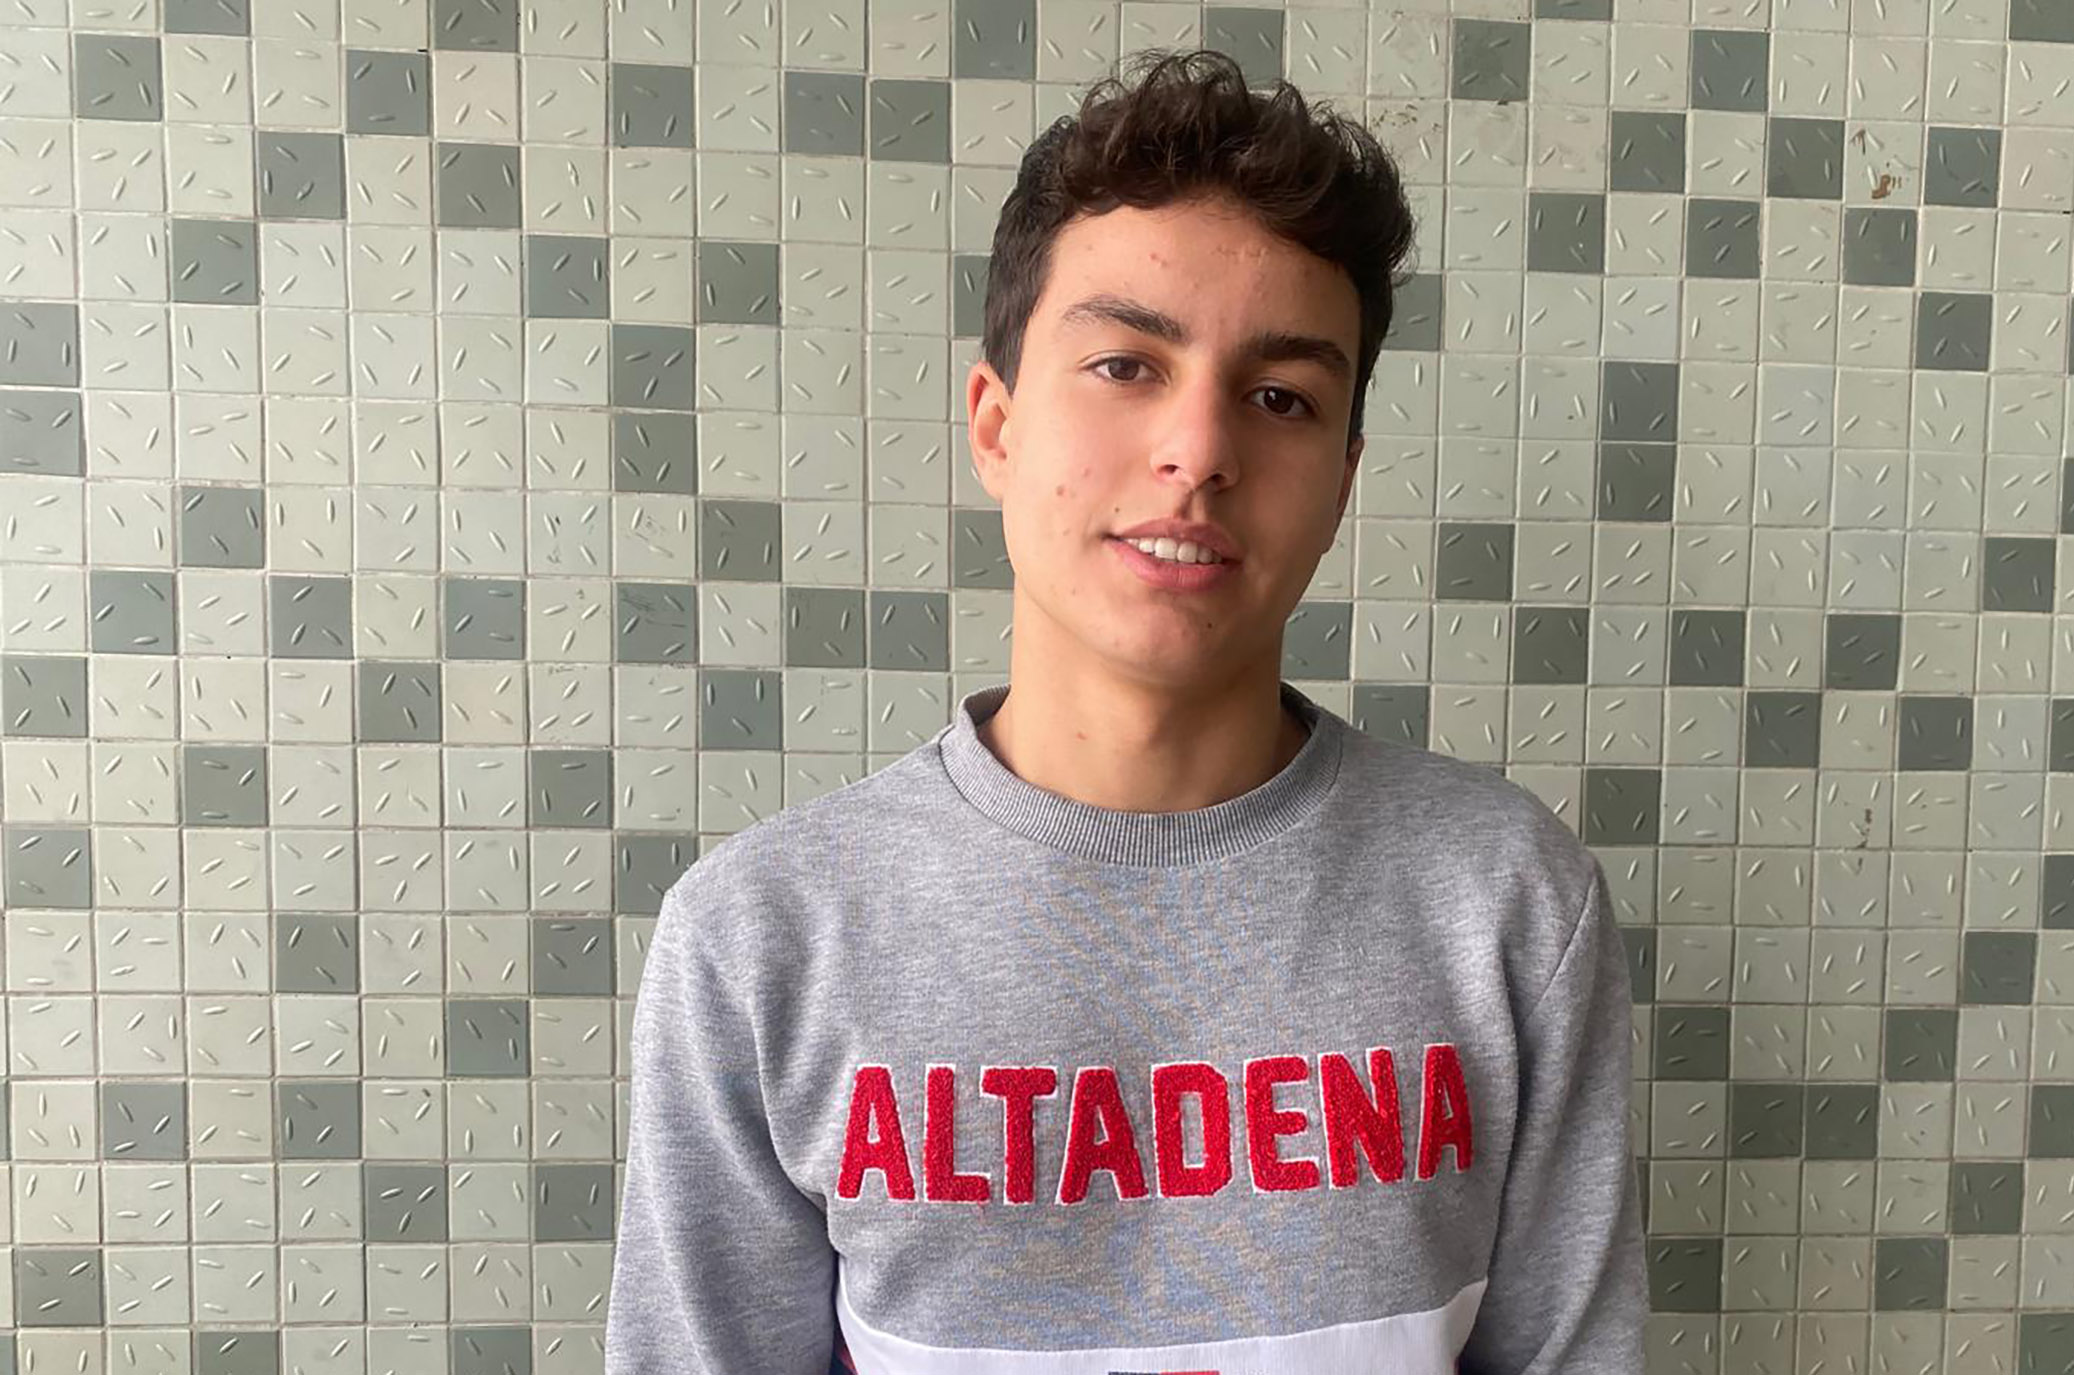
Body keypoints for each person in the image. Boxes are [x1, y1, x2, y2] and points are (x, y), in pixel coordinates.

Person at [603, 47, 1649, 1374]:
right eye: (1123, 365)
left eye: (1280, 398)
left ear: (1342, 478)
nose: (1198, 452)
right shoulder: (763, 940)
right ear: (995, 426)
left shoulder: (1507, 902)